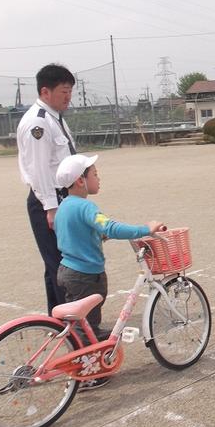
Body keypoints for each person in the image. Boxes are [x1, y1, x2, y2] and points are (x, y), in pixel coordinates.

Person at [54, 154, 164, 390]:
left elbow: (75, 233)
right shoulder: (85, 206)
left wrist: (96, 235)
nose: (98, 178)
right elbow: (110, 227)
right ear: (81, 180)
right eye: (95, 174)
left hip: (67, 271)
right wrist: (145, 229)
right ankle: (87, 375)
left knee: (81, 325)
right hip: (85, 276)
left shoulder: (65, 206)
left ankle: (83, 355)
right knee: (87, 325)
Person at [17, 64, 77, 314]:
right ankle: (74, 325)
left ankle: (59, 318)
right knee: (61, 264)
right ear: (45, 91)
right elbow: (38, 169)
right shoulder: (38, 123)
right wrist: (51, 208)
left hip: (63, 198)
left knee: (56, 262)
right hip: (49, 200)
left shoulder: (55, 118)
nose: (68, 97)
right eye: (64, 91)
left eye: (70, 91)